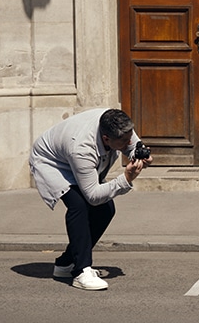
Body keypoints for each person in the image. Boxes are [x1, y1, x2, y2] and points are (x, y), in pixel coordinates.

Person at [29, 108, 151, 290]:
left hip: (70, 154)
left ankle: (65, 264)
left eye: (129, 137)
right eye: (123, 141)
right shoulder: (82, 149)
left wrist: (140, 154)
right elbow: (93, 196)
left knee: (106, 209)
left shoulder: (118, 123)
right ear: (106, 139)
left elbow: (133, 144)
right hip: (52, 162)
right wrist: (125, 179)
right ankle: (80, 271)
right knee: (79, 206)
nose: (129, 143)